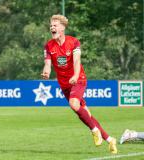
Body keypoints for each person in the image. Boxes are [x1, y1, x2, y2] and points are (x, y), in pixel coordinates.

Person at [41, 15, 117, 154]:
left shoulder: (73, 42)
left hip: (78, 79)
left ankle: (95, 131)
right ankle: (110, 139)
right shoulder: (48, 46)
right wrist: (46, 71)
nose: (52, 27)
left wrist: (75, 75)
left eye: (55, 25)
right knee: (86, 114)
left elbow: (77, 61)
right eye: (51, 25)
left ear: (63, 28)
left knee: (74, 104)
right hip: (64, 84)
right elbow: (47, 64)